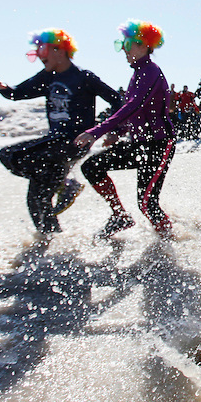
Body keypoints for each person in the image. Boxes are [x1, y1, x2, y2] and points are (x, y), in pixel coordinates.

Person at [0, 28, 122, 234]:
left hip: (73, 142)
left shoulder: (84, 77)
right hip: (52, 145)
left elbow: (117, 101)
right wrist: (1, 87)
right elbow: (17, 94)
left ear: (59, 50)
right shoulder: (47, 77)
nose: (39, 56)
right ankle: (51, 244)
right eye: (37, 52)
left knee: (10, 154)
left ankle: (65, 184)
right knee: (37, 199)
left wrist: (111, 130)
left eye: (43, 51)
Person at [74, 21, 176, 240]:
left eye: (128, 44)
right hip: (139, 143)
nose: (123, 49)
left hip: (159, 143)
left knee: (146, 202)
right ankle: (119, 215)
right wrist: (119, 132)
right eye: (121, 43)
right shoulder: (137, 73)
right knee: (92, 166)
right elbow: (134, 113)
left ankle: (169, 241)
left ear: (144, 45)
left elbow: (134, 106)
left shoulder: (151, 72)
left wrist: (96, 131)